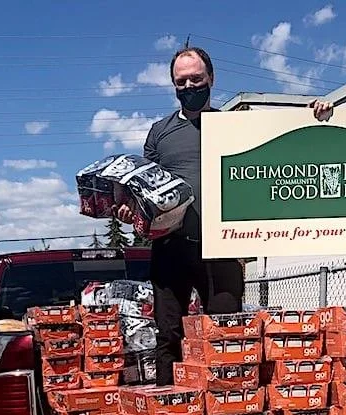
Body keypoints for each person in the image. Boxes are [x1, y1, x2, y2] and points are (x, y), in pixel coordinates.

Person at [117, 46, 333, 385]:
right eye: (181, 81)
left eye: (196, 79)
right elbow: (143, 189)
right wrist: (132, 210)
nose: (189, 87)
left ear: (212, 79)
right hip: (171, 248)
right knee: (168, 335)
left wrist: (315, 116)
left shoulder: (234, 125)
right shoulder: (159, 133)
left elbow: (285, 142)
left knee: (227, 335)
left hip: (223, 249)